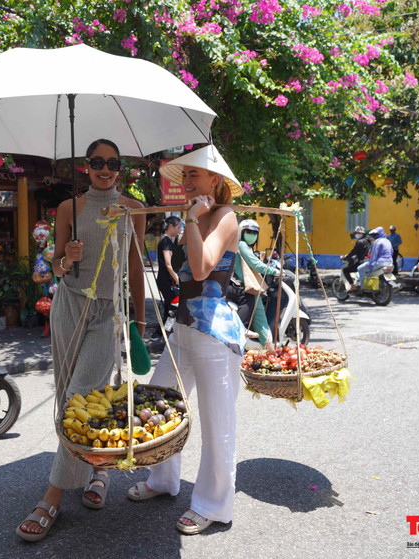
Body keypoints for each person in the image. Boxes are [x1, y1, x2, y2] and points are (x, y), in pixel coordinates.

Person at [17, 139, 146, 542]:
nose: (105, 169)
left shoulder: (134, 209)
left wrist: (140, 318)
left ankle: (52, 497)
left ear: (120, 168)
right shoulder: (68, 208)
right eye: (97, 162)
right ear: (85, 166)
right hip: (69, 306)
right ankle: (99, 470)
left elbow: (136, 266)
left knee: (81, 396)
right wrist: (67, 258)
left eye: (113, 163)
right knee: (68, 397)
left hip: (108, 311)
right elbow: (55, 267)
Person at [126, 144, 246, 535]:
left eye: (195, 174)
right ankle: (163, 480)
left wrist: (192, 219)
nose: (187, 181)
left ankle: (214, 505)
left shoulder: (225, 216)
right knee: (158, 403)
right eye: (185, 175)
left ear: (215, 179)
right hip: (183, 330)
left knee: (217, 423)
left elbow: (201, 267)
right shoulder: (192, 215)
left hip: (214, 335)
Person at [233, 218, 278, 349]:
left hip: (242, 285)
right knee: (260, 317)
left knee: (259, 316)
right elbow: (256, 265)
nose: (252, 235)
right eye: (248, 232)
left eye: (254, 233)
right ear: (241, 232)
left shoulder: (243, 246)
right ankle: (269, 349)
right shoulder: (242, 245)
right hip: (247, 286)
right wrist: (276, 271)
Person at [152, 215, 181, 340]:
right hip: (166, 280)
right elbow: (169, 265)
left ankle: (163, 333)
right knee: (173, 308)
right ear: (171, 227)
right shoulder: (166, 242)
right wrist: (178, 280)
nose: (179, 230)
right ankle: (160, 333)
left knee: (170, 308)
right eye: (178, 227)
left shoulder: (167, 241)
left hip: (166, 280)